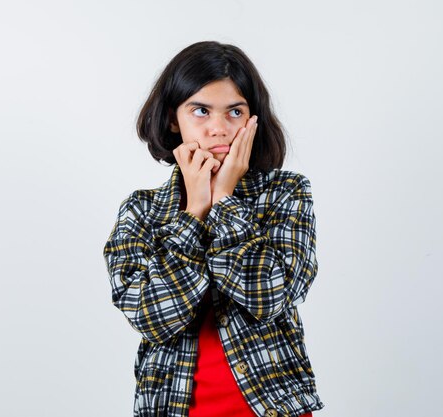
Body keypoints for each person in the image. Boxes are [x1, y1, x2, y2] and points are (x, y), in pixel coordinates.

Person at [102, 41, 324, 417]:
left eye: (234, 112)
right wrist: (194, 212)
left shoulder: (286, 193)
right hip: (174, 407)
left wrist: (224, 201)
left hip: (272, 407)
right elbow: (151, 317)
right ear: (174, 119)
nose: (219, 129)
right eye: (201, 111)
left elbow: (268, 297)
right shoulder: (142, 211)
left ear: (253, 118)